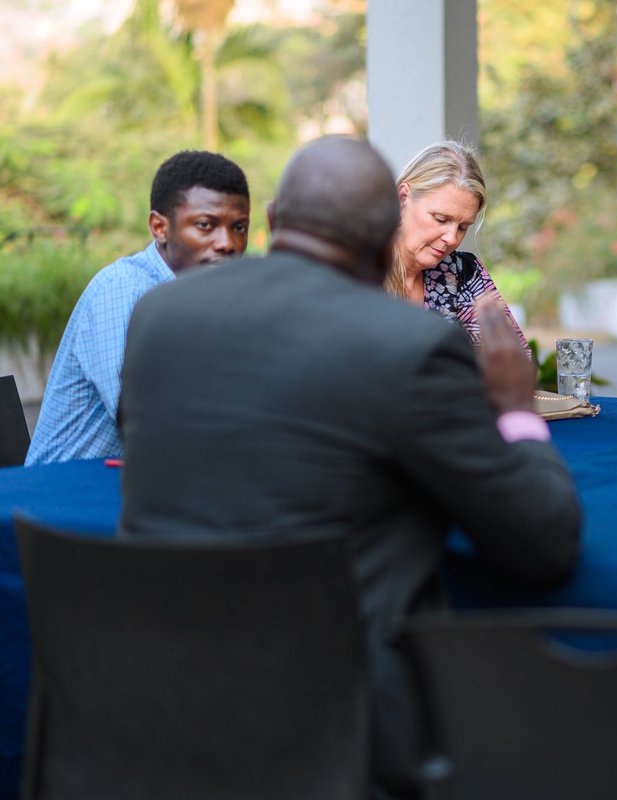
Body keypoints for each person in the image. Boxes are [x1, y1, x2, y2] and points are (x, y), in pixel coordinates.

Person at [118, 136, 581, 800]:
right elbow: (543, 545)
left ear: (274, 217)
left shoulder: (160, 314)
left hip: (153, 700)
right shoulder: (412, 344)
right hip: (337, 722)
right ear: (384, 229)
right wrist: (515, 410)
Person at [25, 150, 250, 465]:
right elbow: (143, 420)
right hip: (61, 494)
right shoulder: (124, 288)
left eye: (239, 227)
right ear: (159, 227)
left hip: (144, 484)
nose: (227, 243)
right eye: (205, 225)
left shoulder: (212, 298)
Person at [383, 140, 529, 354]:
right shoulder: (358, 269)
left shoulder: (462, 272)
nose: (452, 238)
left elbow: (515, 360)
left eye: (463, 227)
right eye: (441, 219)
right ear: (403, 198)